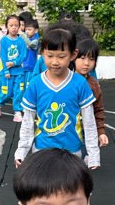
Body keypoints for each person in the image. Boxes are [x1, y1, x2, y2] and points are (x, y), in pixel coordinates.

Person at [15, 25, 101, 169]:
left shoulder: (80, 83)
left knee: (70, 183)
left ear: (73, 55)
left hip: (72, 152)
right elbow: (28, 121)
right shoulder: (35, 84)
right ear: (42, 53)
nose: (55, 62)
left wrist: (93, 155)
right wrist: (22, 151)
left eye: (61, 57)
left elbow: (89, 121)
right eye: (50, 56)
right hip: (42, 150)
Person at [73, 37, 109, 151]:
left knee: (81, 159)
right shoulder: (64, 80)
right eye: (82, 58)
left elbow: (98, 109)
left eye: (92, 59)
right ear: (73, 57)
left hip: (85, 133)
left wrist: (101, 132)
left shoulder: (93, 84)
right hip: (64, 131)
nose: (86, 63)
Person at [0, 15, 28, 121]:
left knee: (19, 92)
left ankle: (17, 112)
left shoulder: (21, 41)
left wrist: (14, 63)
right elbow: (3, 56)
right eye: (11, 25)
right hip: (6, 72)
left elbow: (23, 55)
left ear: (19, 27)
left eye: (16, 25)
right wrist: (6, 70)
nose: (14, 27)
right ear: (7, 26)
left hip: (18, 71)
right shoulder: (4, 40)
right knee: (6, 94)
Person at [21, 17, 40, 91]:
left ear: (36, 30)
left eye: (29, 30)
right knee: (21, 87)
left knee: (28, 87)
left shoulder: (36, 41)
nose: (27, 32)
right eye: (26, 29)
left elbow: (29, 44)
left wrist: (22, 34)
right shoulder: (24, 39)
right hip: (22, 67)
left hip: (30, 67)